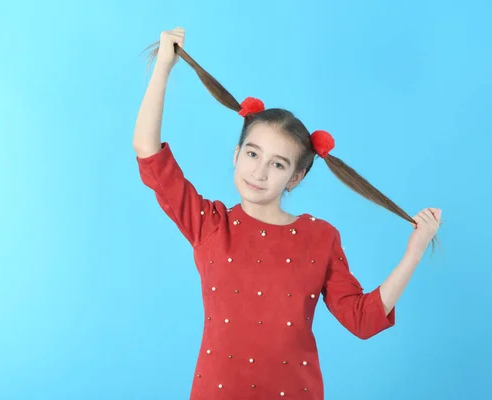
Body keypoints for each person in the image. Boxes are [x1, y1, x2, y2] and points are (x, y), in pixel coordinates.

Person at [133, 27, 442, 400]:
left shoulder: (321, 237)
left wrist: (413, 252)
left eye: (278, 165)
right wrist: (164, 65)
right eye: (252, 154)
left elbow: (362, 319)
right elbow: (149, 153)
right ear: (236, 155)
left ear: (295, 178)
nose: (259, 172)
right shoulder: (210, 224)